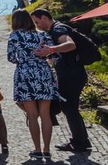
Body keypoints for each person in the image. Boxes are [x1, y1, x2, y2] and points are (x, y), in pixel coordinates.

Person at [31, 8, 92, 153]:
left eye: (37, 22)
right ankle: (82, 140)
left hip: (71, 75)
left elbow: (70, 44)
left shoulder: (57, 29)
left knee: (69, 107)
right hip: (73, 73)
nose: (37, 25)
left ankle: (79, 143)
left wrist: (51, 49)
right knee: (70, 107)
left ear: (44, 18)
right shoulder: (56, 29)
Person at [7, 10, 61, 161]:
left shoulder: (14, 36)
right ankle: (47, 149)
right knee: (45, 114)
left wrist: (24, 59)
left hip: (24, 74)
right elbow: (54, 54)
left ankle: (37, 149)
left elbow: (11, 57)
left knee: (32, 115)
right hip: (43, 73)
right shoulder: (42, 35)